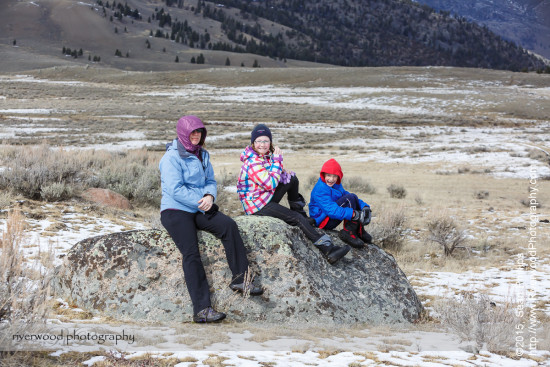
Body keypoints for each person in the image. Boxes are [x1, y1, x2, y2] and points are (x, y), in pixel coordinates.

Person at [159, 115, 263, 324]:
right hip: (176, 210)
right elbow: (174, 190)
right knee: (191, 253)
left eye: (199, 132)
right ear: (183, 134)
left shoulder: (203, 155)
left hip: (199, 206)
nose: (196, 136)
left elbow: (210, 181)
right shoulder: (171, 158)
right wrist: (201, 201)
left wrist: (210, 196)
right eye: (192, 132)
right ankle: (202, 310)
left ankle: (240, 280)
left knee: (228, 225)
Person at [237, 124, 350, 265]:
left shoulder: (263, 157)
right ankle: (328, 249)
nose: (262, 144)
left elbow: (271, 175)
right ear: (253, 143)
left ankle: (301, 214)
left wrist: (283, 173)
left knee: (292, 179)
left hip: (263, 197)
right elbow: (270, 183)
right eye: (259, 141)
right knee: (295, 219)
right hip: (257, 205)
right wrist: (277, 161)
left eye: (266, 141)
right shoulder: (253, 161)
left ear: (270, 142)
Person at [309, 158, 373, 248]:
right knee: (349, 199)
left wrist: (364, 207)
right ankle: (348, 232)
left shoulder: (336, 185)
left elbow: (346, 195)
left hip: (329, 216)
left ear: (339, 176)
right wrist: (354, 214)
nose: (331, 179)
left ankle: (358, 230)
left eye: (335, 176)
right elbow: (331, 211)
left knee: (352, 196)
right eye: (328, 175)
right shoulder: (320, 189)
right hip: (322, 221)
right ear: (323, 174)